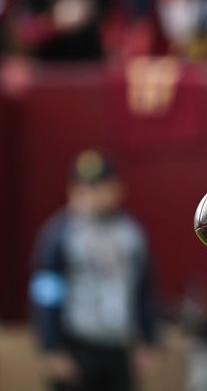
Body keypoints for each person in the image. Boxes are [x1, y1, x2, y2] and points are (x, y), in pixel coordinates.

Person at [30, 149, 160, 391]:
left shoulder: (131, 234)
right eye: (85, 188)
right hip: (77, 348)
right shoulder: (59, 234)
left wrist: (148, 339)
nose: (92, 195)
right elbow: (46, 292)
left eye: (100, 187)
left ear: (117, 189)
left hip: (118, 349)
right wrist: (51, 346)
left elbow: (144, 288)